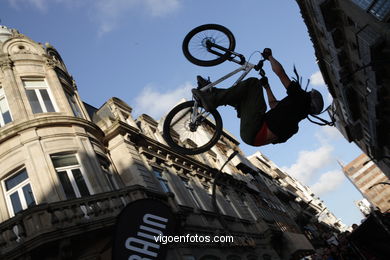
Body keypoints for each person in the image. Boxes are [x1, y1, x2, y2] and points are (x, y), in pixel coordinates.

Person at [191, 48, 324, 146]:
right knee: (243, 97)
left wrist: (270, 57)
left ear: (309, 100)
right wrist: (267, 87)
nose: (306, 93)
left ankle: (212, 99)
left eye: (309, 94)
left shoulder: (301, 99)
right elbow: (273, 104)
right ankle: (211, 92)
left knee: (253, 83)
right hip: (250, 136)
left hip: (254, 129)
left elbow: (281, 74)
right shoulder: (293, 125)